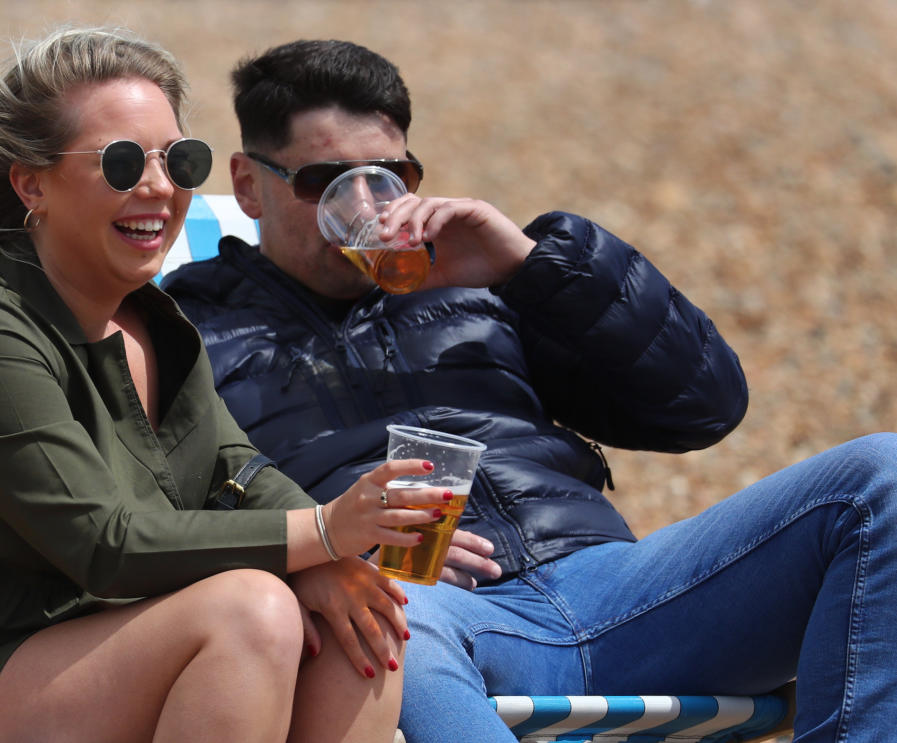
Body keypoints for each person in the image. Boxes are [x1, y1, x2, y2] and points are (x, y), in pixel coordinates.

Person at [160, 38, 897, 743]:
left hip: (613, 584)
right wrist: (323, 548)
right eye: (325, 181)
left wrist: (529, 268)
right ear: (250, 185)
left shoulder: (478, 278)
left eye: (388, 176)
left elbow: (702, 405)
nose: (361, 204)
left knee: (881, 477)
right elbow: (147, 518)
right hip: (423, 609)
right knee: (376, 630)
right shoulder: (179, 330)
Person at [0, 27, 447, 743]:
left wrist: (328, 565)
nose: (161, 187)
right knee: (249, 610)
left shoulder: (149, 321)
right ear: (31, 183)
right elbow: (104, 544)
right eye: (122, 161)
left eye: (179, 160)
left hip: (87, 640)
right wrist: (323, 529)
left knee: (361, 620)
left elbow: (239, 471)